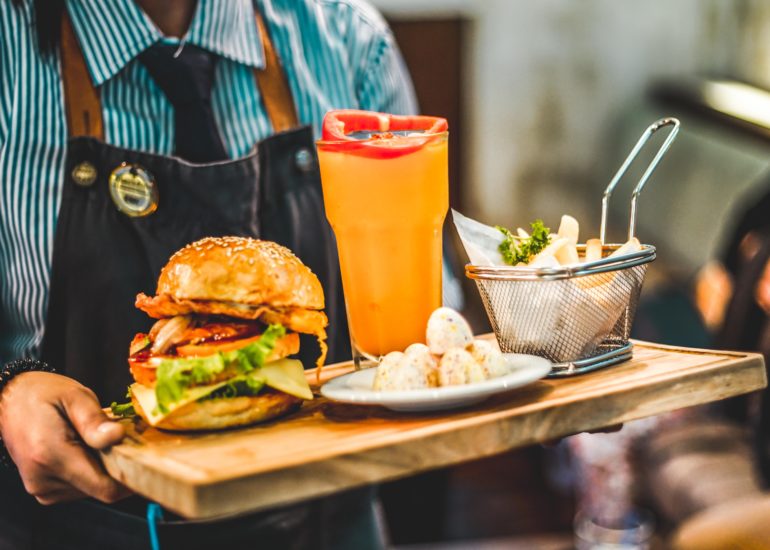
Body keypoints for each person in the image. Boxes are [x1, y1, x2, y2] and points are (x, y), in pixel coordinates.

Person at [0, 0, 424, 547]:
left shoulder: (350, 40)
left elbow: (421, 310)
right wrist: (7, 395)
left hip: (332, 522)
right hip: (71, 529)